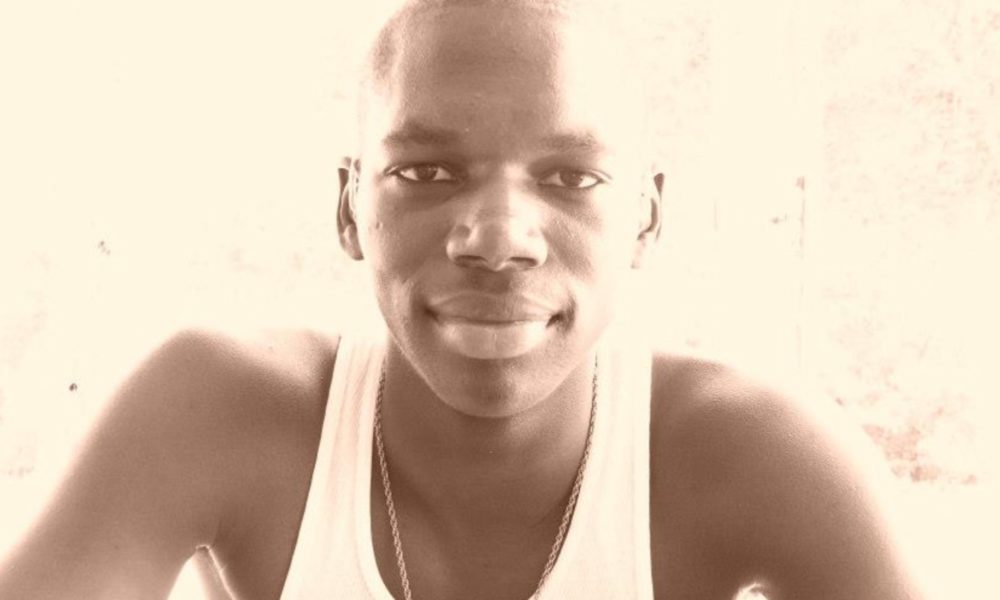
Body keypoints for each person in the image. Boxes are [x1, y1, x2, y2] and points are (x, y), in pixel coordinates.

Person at [0, 0, 926, 598]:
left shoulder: (754, 453)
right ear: (350, 208)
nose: (496, 236)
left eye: (571, 178)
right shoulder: (218, 412)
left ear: (646, 220)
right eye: (428, 171)